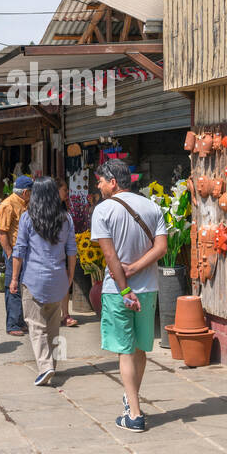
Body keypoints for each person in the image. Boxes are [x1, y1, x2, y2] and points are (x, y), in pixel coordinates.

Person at [91, 159, 168, 433]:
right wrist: (136, 268)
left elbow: (109, 255)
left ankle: (134, 414)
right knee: (140, 348)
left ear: (113, 182)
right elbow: (161, 248)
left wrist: (124, 287)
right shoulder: (152, 206)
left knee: (124, 350)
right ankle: (131, 396)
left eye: (100, 181)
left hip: (118, 292)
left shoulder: (103, 210)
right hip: (148, 288)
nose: (98, 186)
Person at [9, 177, 77, 386]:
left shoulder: (28, 218)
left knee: (36, 326)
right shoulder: (66, 218)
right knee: (54, 325)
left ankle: (45, 367)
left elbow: (19, 251)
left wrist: (13, 278)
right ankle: (52, 365)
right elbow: (72, 251)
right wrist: (70, 277)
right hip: (58, 279)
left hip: (33, 279)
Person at [0, 175, 32, 336]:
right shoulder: (8, 204)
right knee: (13, 286)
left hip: (25, 251)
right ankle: (13, 324)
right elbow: (2, 232)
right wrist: (10, 253)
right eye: (31, 192)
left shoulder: (26, 203)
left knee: (22, 287)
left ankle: (20, 320)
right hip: (14, 251)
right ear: (25, 192)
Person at [57, 181, 79, 328]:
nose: (67, 193)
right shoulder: (43, 209)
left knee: (65, 283)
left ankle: (65, 314)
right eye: (64, 190)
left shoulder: (65, 211)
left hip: (64, 251)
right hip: (51, 254)